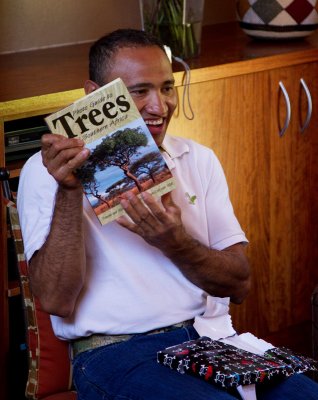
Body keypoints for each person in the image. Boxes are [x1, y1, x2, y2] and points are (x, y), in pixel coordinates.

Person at [17, 29, 318, 400]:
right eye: (139, 91)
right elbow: (55, 301)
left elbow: (239, 284)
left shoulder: (198, 158)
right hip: (115, 354)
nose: (160, 107)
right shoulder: (46, 171)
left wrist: (173, 241)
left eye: (167, 87)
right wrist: (69, 191)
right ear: (96, 96)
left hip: (209, 339)